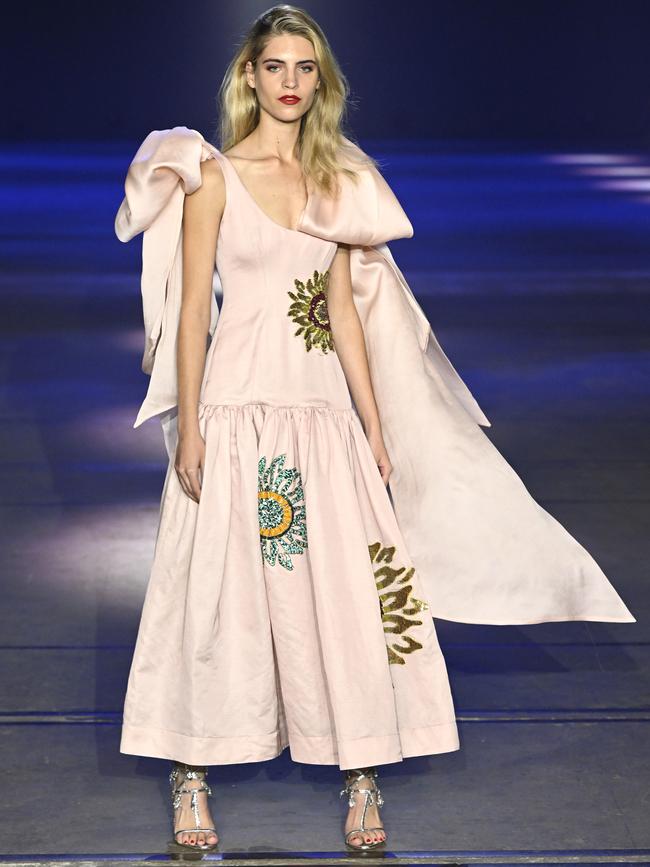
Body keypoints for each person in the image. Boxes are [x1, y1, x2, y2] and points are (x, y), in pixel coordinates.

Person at [114, 3, 635, 854]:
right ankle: (192, 771)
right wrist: (194, 427)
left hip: (320, 415)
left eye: (304, 68)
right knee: (213, 592)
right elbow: (194, 316)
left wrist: (375, 424)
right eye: (274, 66)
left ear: (321, 81)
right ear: (247, 75)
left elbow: (345, 315)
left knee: (350, 595)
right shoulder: (209, 176)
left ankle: (361, 776)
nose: (289, 82)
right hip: (238, 411)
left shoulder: (340, 179)